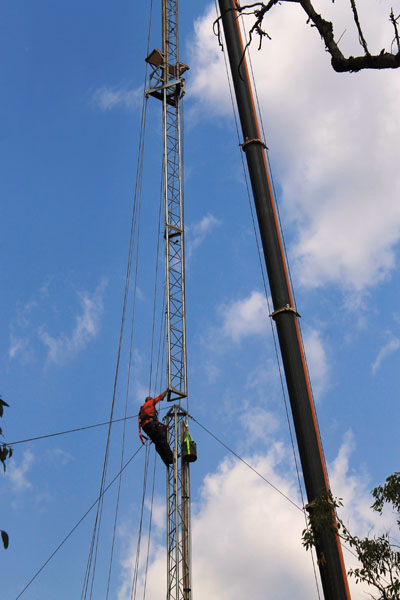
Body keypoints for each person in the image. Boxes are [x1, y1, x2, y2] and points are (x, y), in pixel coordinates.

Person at [138, 390, 173, 466]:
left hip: (147, 428)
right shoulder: (150, 403)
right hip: (151, 425)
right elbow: (160, 397)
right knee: (162, 439)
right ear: (149, 400)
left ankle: (166, 460)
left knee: (158, 443)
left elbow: (148, 418)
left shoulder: (142, 409)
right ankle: (170, 457)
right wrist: (166, 391)